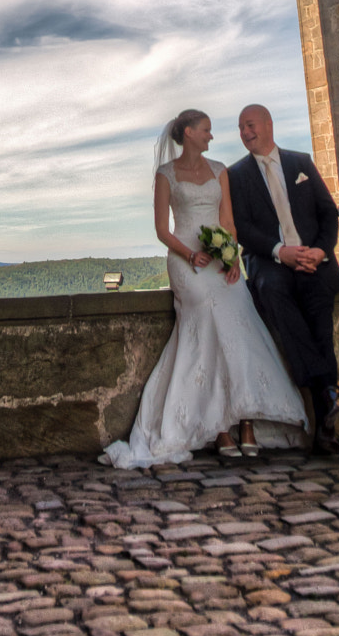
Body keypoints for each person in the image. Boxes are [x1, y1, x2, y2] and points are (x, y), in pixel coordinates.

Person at [101, 109, 308, 467]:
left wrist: (230, 257)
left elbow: (226, 221)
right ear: (188, 132)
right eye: (206, 130)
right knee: (206, 314)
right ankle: (221, 428)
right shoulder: (166, 175)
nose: (212, 136)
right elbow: (162, 229)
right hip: (185, 260)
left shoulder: (219, 170)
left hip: (219, 259)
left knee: (239, 317)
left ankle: (244, 421)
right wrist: (189, 254)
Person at [228, 103, 339, 455]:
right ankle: (328, 392)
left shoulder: (301, 162)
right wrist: (280, 251)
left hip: (314, 262)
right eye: (240, 128)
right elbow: (242, 229)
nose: (245, 133)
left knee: (319, 320)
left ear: (267, 123)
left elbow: (329, 214)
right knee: (272, 292)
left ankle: (325, 424)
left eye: (250, 125)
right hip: (272, 264)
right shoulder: (237, 175)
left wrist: (319, 251)